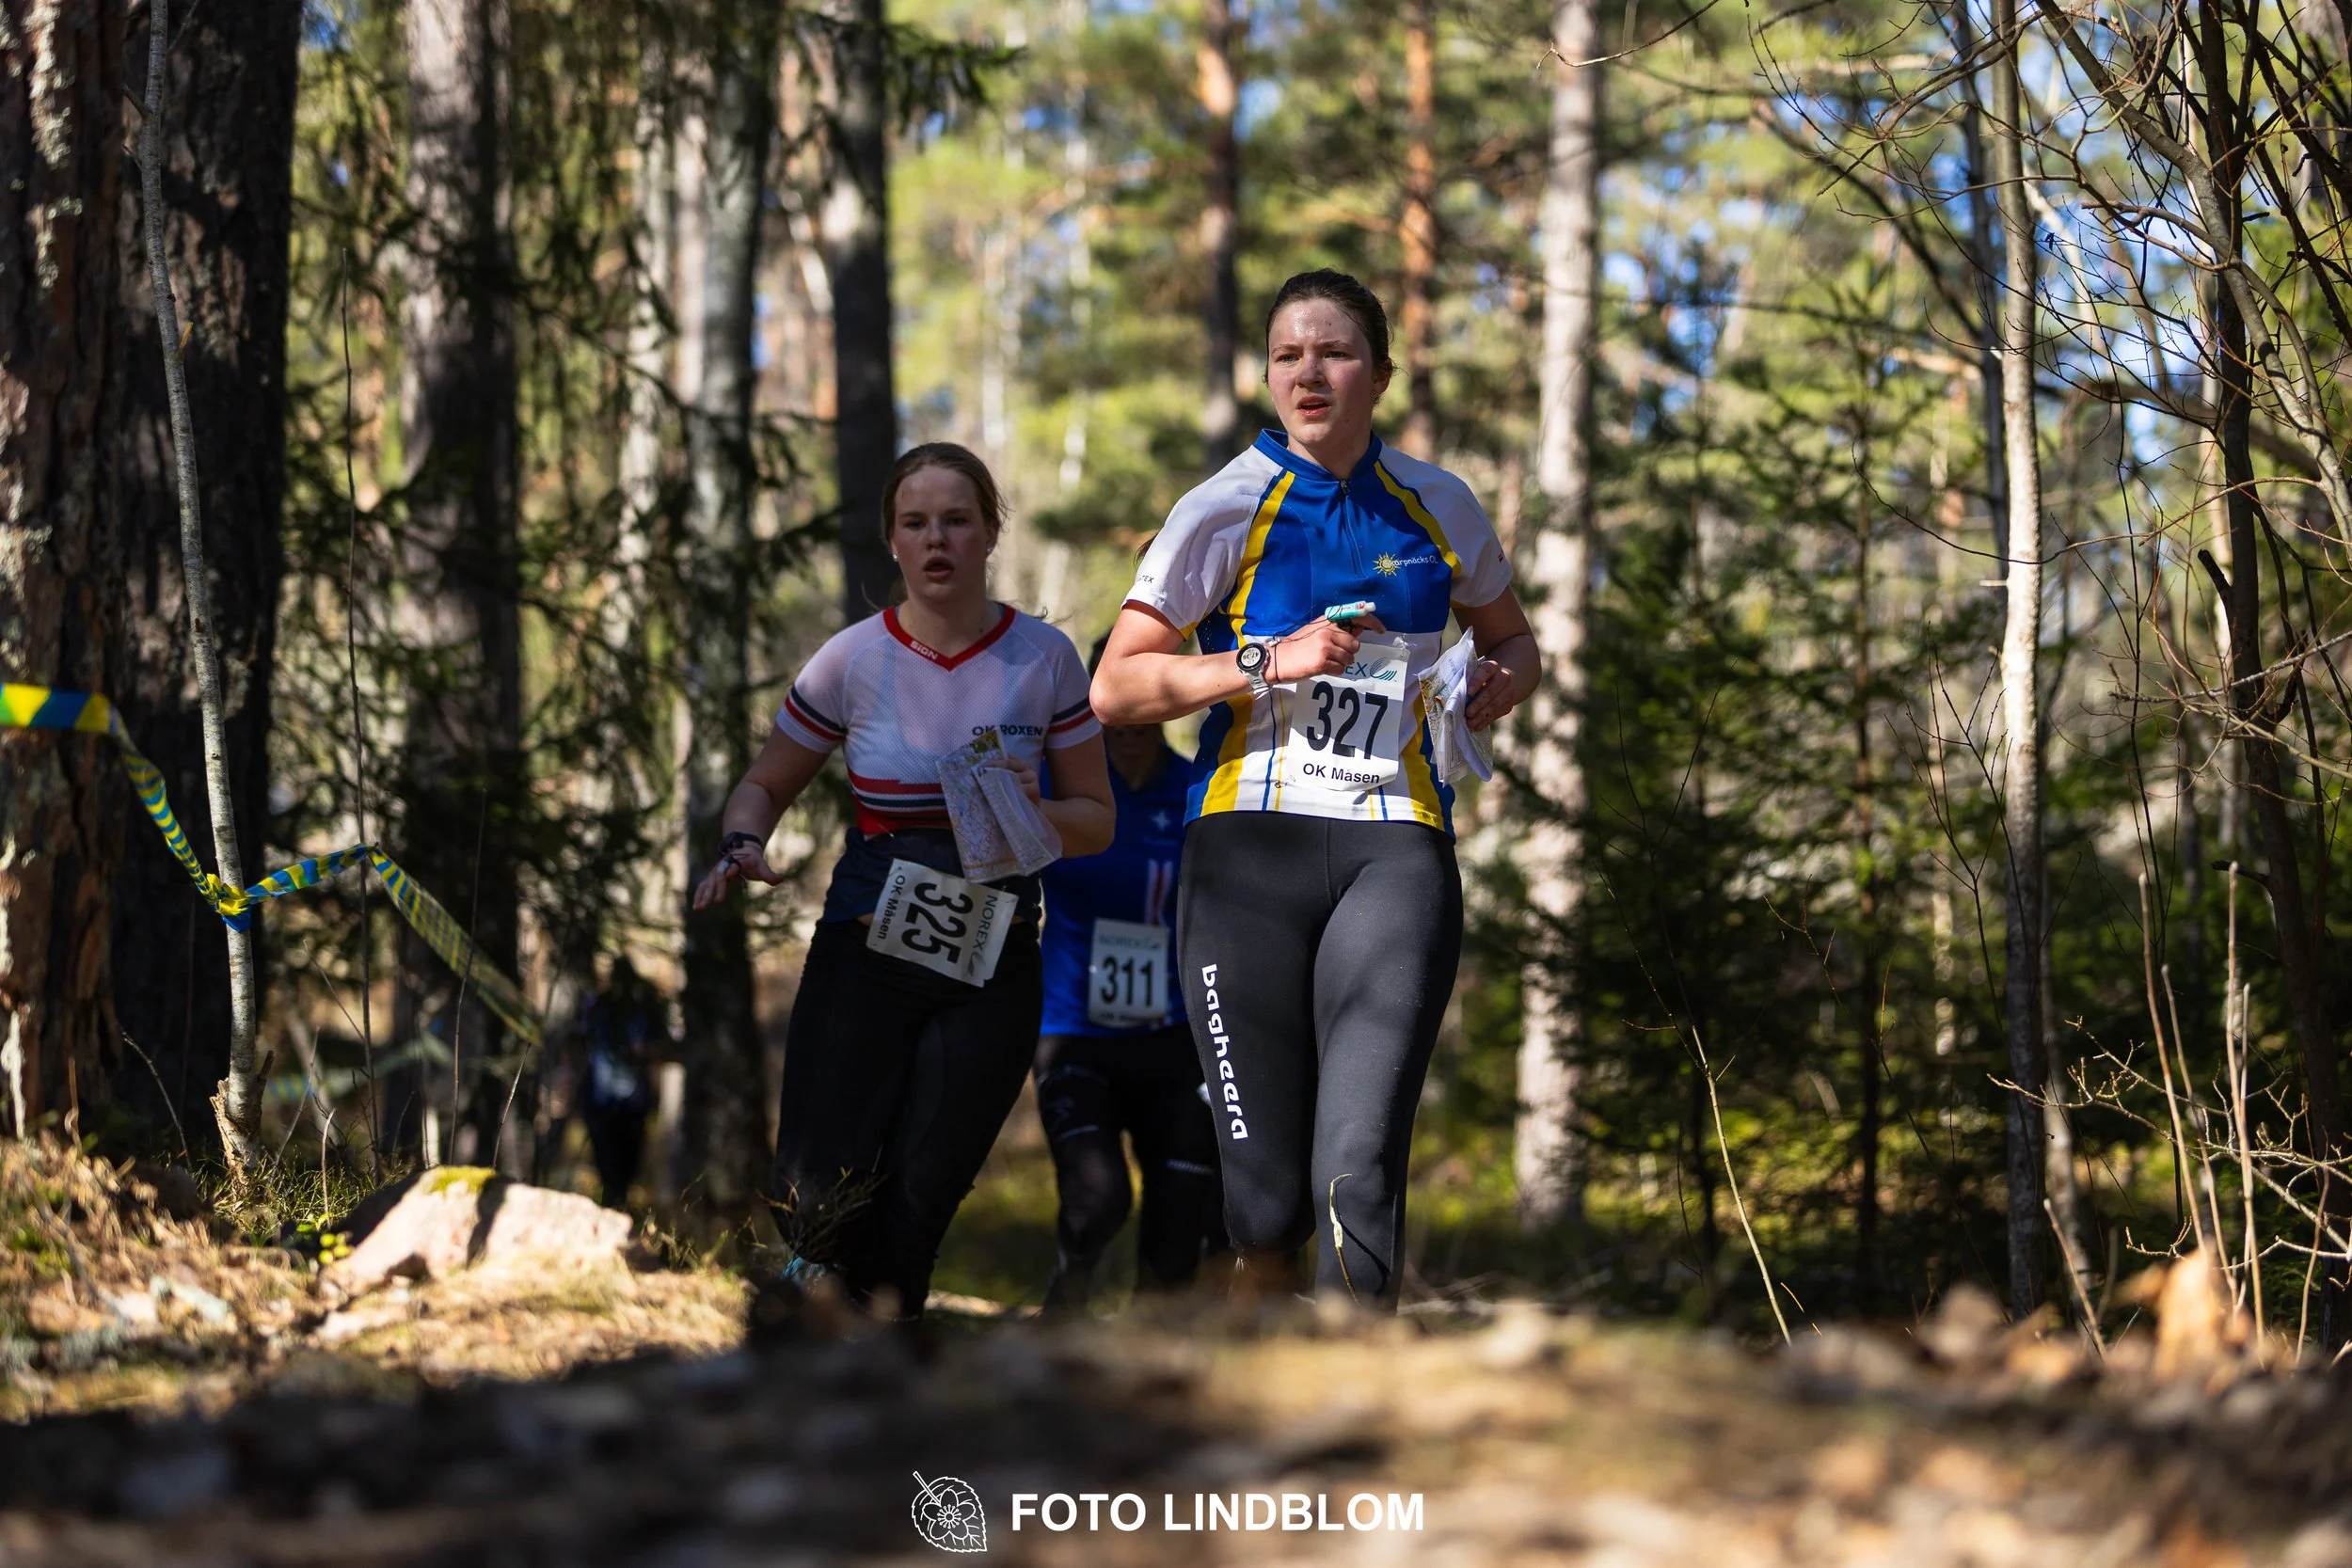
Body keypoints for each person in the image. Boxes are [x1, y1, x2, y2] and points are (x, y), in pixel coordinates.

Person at [1090, 269, 1541, 1307]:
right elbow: (1116, 687)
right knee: (1259, 1201)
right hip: (1244, 848)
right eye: (1287, 353)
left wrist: (1505, 676)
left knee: (1358, 1166)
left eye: (1332, 352)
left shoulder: (1440, 504)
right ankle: (1266, 1387)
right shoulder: (1222, 507)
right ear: (1265, 373)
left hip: (1394, 846)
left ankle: (1357, 1393)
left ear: (1378, 374)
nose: (1308, 372)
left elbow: (1511, 634)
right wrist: (1261, 663)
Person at [691, 442, 1115, 1318]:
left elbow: (1097, 820)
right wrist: (742, 839)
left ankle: (887, 1386)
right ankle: (804, 1356)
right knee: (816, 1195)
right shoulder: (851, 660)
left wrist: (1036, 806)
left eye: (957, 520)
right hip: (866, 945)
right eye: (916, 522)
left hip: (993, 961)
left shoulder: (1045, 659)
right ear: (891, 539)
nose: (937, 541)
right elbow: (766, 781)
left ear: (991, 531)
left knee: (918, 1202)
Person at [1033, 659, 1225, 1310]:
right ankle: (1065, 1304)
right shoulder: (1064, 788)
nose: (1129, 726)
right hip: (1074, 1030)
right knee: (1097, 1198)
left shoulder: (1196, 787)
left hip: (1174, 1032)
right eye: (1113, 711)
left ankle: (1154, 1354)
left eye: (1144, 709)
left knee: (1183, 1208)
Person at [569, 957, 668, 1207]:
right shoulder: (599, 1006)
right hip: (607, 1101)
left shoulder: (642, 1008)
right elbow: (578, 1044)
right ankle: (613, 1207)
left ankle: (617, 1207)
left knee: (622, 1168)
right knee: (612, 1168)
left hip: (625, 1102)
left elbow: (662, 1048)